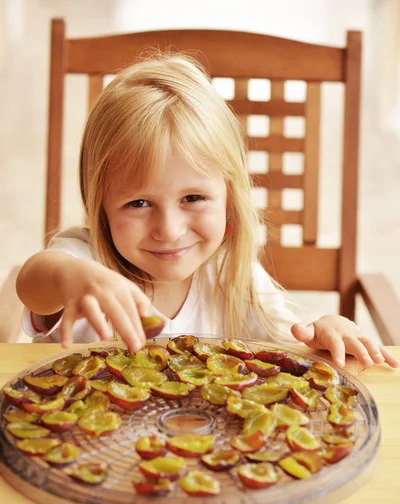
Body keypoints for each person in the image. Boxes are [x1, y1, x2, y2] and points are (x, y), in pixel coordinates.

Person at [16, 52, 398, 369]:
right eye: (138, 203)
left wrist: (325, 330)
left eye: (193, 199)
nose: (168, 229)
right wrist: (73, 279)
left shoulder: (232, 276)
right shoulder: (86, 262)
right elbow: (34, 281)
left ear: (229, 197)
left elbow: (293, 345)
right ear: (100, 206)